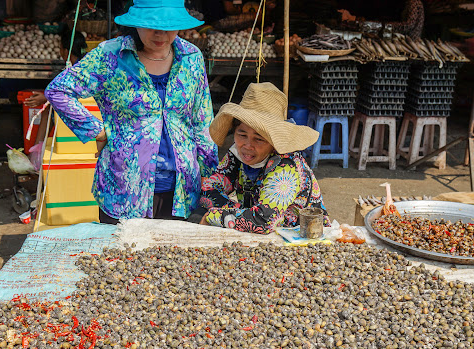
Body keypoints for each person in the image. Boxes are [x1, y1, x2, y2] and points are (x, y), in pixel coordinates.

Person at [45, 0, 218, 224]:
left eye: (169, 27)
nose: (161, 34)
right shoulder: (111, 56)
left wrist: (211, 177)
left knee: (170, 257)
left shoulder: (191, 57)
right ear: (135, 23)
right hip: (125, 188)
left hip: (181, 190)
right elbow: (58, 90)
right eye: (152, 25)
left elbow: (202, 120)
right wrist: (98, 131)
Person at [199, 82, 330, 235]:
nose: (247, 145)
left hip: (299, 237)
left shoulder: (286, 165)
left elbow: (265, 220)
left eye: (259, 139)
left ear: (274, 141)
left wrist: (216, 216)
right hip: (258, 234)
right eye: (242, 135)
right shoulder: (237, 153)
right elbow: (209, 190)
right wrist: (242, 214)